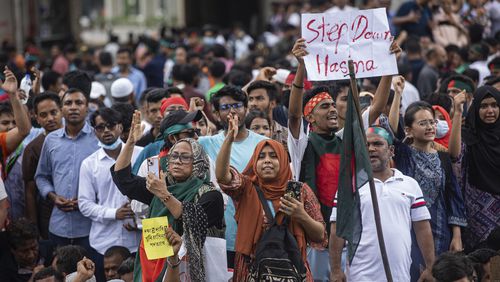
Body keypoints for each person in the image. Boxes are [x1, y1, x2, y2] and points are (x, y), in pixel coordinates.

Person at [287, 38, 397, 279]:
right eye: (324, 106)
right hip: (315, 236)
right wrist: (301, 67)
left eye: (333, 105)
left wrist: (389, 64)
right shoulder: (301, 144)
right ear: (311, 118)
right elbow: (294, 116)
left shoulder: (345, 139)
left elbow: (376, 107)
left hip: (349, 233)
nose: (333, 110)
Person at [111, 111, 224, 282]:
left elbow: (193, 218)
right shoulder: (159, 184)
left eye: (185, 157)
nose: (177, 161)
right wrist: (131, 142)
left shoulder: (210, 194)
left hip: (193, 268)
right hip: (154, 262)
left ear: (198, 163)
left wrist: (164, 194)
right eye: (174, 157)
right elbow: (123, 179)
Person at [216, 116, 327, 281]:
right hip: (251, 271)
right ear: (254, 162)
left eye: (273, 156)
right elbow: (222, 177)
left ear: (283, 161)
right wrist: (229, 140)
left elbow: (320, 236)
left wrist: (301, 215)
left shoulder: (299, 191)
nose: (267, 161)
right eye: (261, 157)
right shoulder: (245, 188)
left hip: (291, 272)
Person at [329, 127, 435, 282]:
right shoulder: (349, 186)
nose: (371, 149)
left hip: (400, 274)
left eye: (377, 144)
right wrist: (336, 270)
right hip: (360, 275)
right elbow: (337, 229)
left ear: (391, 150)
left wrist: (430, 267)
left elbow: (422, 228)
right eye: (365, 145)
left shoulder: (409, 184)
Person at [391, 101, 467, 280]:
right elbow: (392, 131)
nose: (430, 127)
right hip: (410, 230)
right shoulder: (403, 155)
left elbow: (453, 197)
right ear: (409, 130)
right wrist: (397, 94)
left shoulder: (443, 158)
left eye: (432, 122)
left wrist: (456, 235)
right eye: (423, 123)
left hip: (441, 231)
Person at [198, 85, 268, 268]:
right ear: (215, 113)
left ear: (246, 108)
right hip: (222, 237)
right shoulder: (205, 144)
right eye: (225, 107)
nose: (232, 111)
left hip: (259, 233)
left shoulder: (265, 145)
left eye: (237, 105)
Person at [78, 108, 142, 281]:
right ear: (94, 131)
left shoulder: (140, 154)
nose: (106, 130)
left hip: (137, 241)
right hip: (104, 242)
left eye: (111, 125)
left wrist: (140, 222)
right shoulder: (89, 164)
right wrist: (114, 213)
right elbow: (84, 204)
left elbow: (155, 194)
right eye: (100, 127)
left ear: (120, 127)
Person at [35, 88, 99, 252]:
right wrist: (53, 196)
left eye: (79, 103)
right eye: (68, 103)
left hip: (91, 226)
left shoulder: (98, 139)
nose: (73, 107)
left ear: (87, 108)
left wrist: (88, 201)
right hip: (59, 226)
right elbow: (41, 177)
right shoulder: (51, 140)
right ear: (62, 109)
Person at [448, 86, 500, 251]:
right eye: (484, 106)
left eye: (494, 105)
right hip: (477, 216)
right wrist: (457, 113)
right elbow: (454, 154)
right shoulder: (468, 135)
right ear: (476, 108)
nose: (490, 110)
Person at [23, 92, 63, 239]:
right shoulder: (33, 148)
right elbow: (30, 191)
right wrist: (35, 229)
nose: (50, 119)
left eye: (54, 112)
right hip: (48, 215)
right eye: (44, 115)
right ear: (36, 118)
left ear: (62, 111)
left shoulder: (82, 139)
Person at [0, 218, 54, 282]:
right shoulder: (4, 269)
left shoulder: (51, 249)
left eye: (34, 248)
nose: (31, 255)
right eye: (24, 251)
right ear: (13, 250)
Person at [247, 80, 288, 146]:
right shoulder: (241, 133)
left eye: (259, 98)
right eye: (250, 99)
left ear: (272, 103)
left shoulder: (286, 135)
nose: (253, 103)